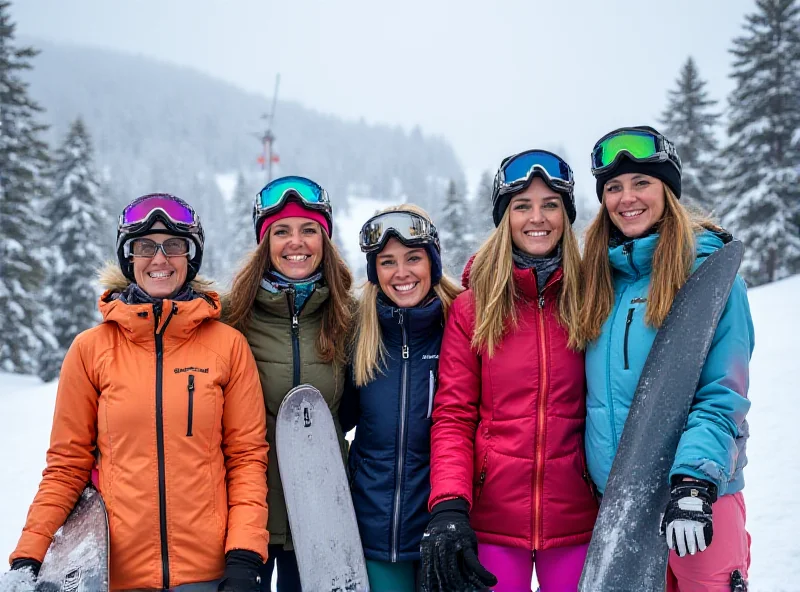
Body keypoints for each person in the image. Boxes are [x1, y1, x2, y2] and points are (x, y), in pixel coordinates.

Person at [9, 194, 268, 591]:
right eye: (145, 246)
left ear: (191, 256)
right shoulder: (91, 350)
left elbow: (246, 460)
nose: (159, 259)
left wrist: (245, 556)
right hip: (117, 576)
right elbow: (67, 466)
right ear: (129, 257)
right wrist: (29, 555)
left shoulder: (227, 346)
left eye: (174, 246)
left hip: (209, 575)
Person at [580, 126, 754, 591]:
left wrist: (694, 484)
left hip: (698, 502)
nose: (626, 198)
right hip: (619, 507)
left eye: (642, 183)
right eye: (613, 188)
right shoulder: (600, 283)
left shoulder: (708, 276)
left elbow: (723, 392)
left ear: (667, 190)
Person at [421, 151, 599, 591]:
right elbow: (453, 416)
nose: (536, 218)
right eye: (522, 206)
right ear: (505, 218)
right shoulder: (473, 309)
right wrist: (449, 503)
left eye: (550, 205)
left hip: (577, 518)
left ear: (566, 214)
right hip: (493, 521)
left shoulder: (595, 296)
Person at [224, 176, 353, 592]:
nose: (295, 243)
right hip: (246, 519)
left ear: (324, 240)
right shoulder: (231, 317)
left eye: (308, 230)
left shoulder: (348, 317)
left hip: (321, 518)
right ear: (265, 243)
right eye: (281, 231)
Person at [339, 205, 462, 591]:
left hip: (445, 532)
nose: (402, 273)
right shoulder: (358, 333)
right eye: (387, 262)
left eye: (413, 258)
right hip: (374, 536)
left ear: (434, 263)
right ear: (375, 273)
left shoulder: (460, 327)